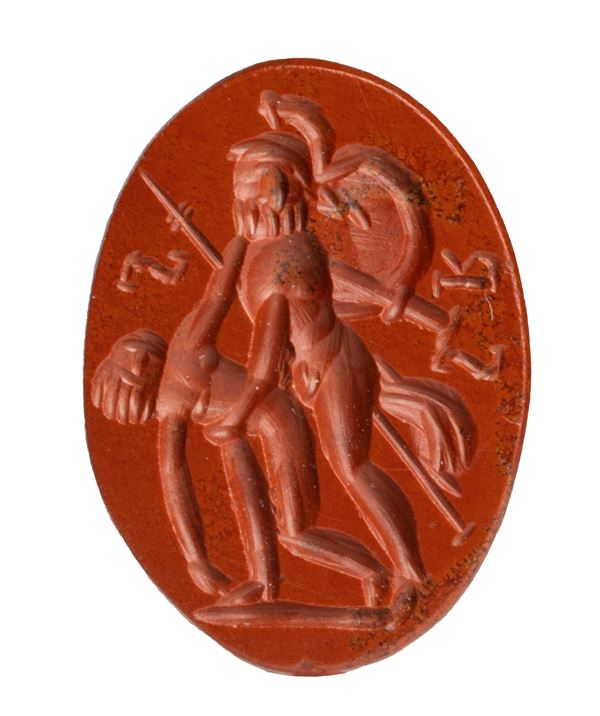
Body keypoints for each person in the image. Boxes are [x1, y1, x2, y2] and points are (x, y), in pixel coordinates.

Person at [203, 131, 426, 600]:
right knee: (350, 469)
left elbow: (263, 368)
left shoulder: (277, 263)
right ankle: (392, 571)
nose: (239, 197)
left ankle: (411, 573)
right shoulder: (282, 244)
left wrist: (237, 416)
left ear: (272, 191)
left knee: (353, 468)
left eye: (245, 186)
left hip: (335, 366)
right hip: (322, 364)